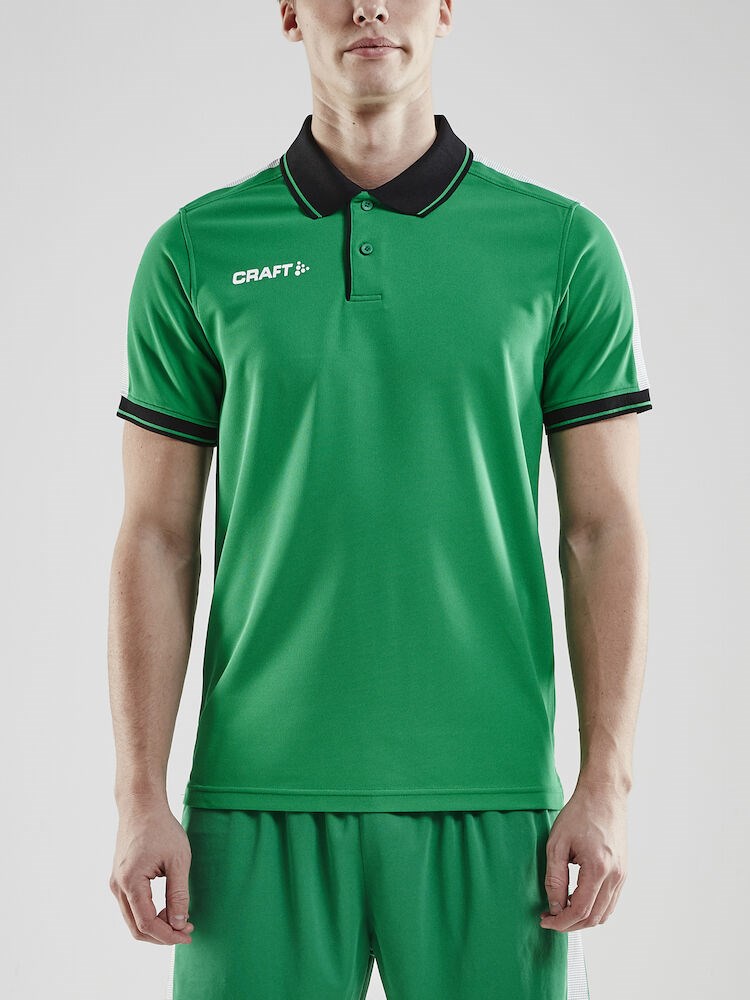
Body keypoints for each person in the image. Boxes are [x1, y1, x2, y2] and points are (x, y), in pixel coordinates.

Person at [107, 2, 652, 998]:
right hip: (253, 802)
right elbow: (155, 537)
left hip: (494, 801)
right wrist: (139, 793)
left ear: (445, 9)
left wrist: (606, 783)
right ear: (288, 13)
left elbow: (602, 530)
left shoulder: (561, 247)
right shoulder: (195, 251)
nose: (368, 7)